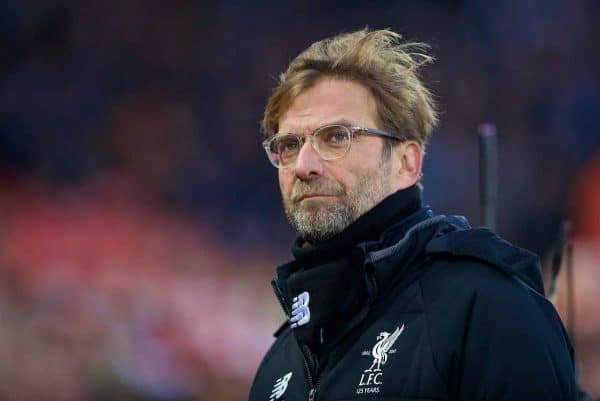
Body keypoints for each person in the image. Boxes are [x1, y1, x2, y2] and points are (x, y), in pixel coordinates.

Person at [249, 28, 576, 401]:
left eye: (337, 137)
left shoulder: (487, 309)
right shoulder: (281, 362)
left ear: (407, 162)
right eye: (289, 145)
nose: (304, 165)